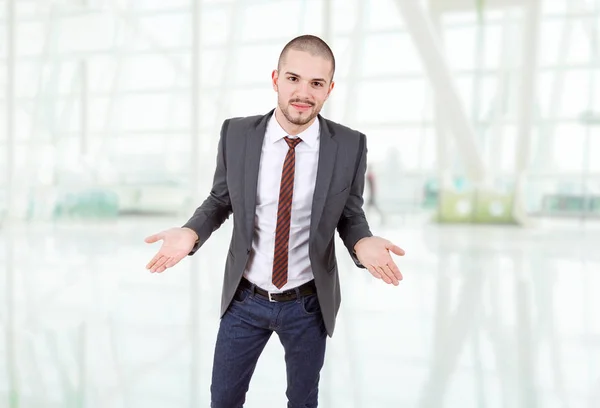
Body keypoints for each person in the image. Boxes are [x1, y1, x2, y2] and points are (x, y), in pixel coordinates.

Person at [144, 34, 405, 408]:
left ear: (329, 89)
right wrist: (190, 232)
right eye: (293, 78)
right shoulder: (237, 134)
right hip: (244, 300)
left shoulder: (349, 145)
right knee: (224, 400)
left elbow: (349, 213)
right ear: (275, 79)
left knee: (303, 401)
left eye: (316, 83)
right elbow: (221, 200)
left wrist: (362, 243)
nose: (303, 92)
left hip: (307, 303)